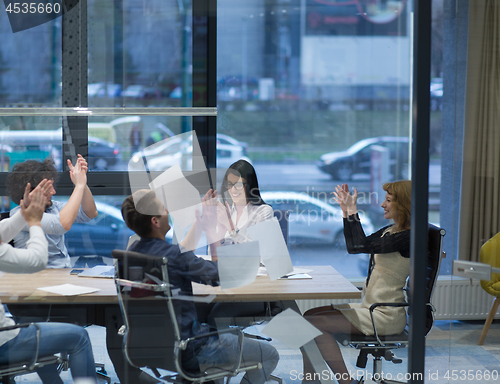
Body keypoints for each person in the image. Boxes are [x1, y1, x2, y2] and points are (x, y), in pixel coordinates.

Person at [118, 189, 279, 384]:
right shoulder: (173, 257)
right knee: (269, 355)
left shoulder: (129, 255)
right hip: (190, 350)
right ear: (155, 221)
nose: (167, 210)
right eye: (163, 209)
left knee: (213, 361)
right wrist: (212, 233)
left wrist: (201, 223)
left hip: (146, 347)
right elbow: (223, 276)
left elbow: (181, 258)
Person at [300, 181, 411, 384]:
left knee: (312, 323)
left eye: (388, 201)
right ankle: (311, 380)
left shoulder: (409, 237)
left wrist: (352, 210)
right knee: (308, 316)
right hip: (370, 308)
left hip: (385, 314)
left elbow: (360, 245)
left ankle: (346, 382)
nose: (382, 205)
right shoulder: (391, 231)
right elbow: (355, 246)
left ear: (403, 205)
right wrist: (346, 212)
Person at [0, 180, 97, 384]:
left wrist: (25, 211)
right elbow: (37, 260)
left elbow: (4, 230)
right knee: (79, 337)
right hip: (5, 341)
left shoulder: (51, 207)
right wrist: (34, 222)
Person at [181, 160, 277, 327]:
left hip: (253, 289)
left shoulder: (263, 211)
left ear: (250, 185)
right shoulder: (228, 212)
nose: (233, 190)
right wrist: (210, 225)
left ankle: (226, 351)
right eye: (230, 184)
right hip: (227, 284)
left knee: (218, 315)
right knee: (196, 309)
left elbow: (256, 255)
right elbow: (218, 257)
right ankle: (207, 349)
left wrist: (231, 229)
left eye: (239, 185)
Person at [7, 156, 98, 268]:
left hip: (62, 272)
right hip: (38, 276)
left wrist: (82, 183)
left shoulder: (53, 206)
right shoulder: (21, 214)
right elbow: (61, 225)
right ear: (29, 191)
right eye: (47, 188)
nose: (53, 191)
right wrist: (78, 186)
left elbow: (89, 213)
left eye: (52, 185)